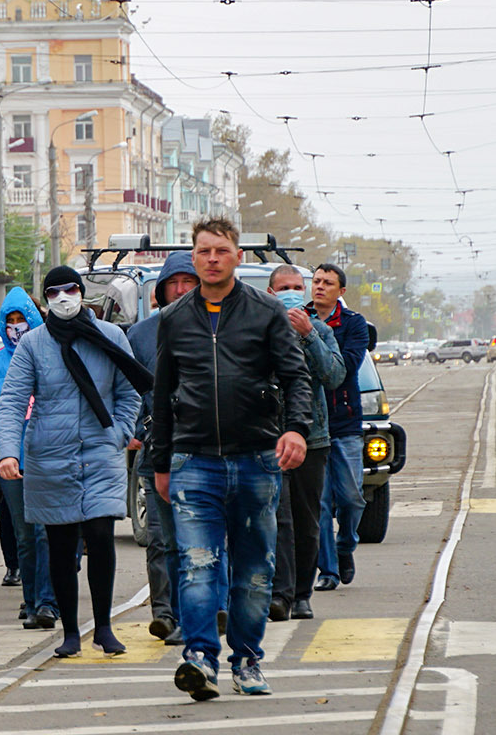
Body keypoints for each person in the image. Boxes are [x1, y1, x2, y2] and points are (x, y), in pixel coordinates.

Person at [150, 218, 313, 700]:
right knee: (197, 566)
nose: (212, 259)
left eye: (221, 250)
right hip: (193, 461)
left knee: (253, 570)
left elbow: (296, 377)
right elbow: (162, 396)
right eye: (204, 252)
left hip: (256, 460)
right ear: (194, 258)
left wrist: (296, 430)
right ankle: (200, 658)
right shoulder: (175, 317)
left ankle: (247, 661)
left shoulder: (265, 312)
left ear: (238, 256)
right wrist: (161, 462)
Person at [0, 267, 148, 658]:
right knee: (61, 545)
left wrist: (119, 431)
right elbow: (13, 402)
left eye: (70, 290)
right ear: (45, 299)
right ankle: (69, 632)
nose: (63, 297)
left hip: (101, 452)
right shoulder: (34, 344)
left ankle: (103, 627)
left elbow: (130, 390)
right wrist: (8, 452)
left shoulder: (111, 336)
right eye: (53, 292)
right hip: (50, 457)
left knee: (100, 537)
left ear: (82, 293)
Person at [125, 252, 198, 645]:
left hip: (202, 450)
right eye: (175, 283)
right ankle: (164, 613)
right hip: (156, 452)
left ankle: (196, 611)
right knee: (160, 538)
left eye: (190, 282)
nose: (183, 290)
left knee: (197, 538)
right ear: (162, 291)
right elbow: (128, 389)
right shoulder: (139, 335)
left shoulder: (211, 328)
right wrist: (133, 428)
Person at [266, 264, 345, 623]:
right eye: (285, 287)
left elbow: (333, 376)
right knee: (278, 519)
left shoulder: (322, 331)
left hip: (312, 440)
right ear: (271, 294)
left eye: (298, 286)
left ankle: (301, 594)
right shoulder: (258, 329)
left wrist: (309, 335)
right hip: (269, 438)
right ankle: (279, 595)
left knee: (307, 520)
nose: (293, 292)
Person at [0, 287, 54, 630]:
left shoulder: (49, 353)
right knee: (24, 534)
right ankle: (32, 599)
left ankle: (47, 601)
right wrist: (7, 413)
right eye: (10, 321)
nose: (16, 327)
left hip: (48, 458)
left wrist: (11, 410)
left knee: (45, 534)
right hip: (10, 461)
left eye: (22, 320)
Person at [310, 263, 371, 592]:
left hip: (345, 422)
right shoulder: (299, 319)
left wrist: (313, 342)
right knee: (319, 502)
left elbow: (345, 367)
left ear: (340, 292)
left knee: (351, 498)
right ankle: (328, 571)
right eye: (316, 281)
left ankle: (346, 545)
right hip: (311, 426)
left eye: (328, 283)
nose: (319, 286)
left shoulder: (353, 324)